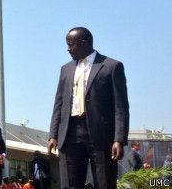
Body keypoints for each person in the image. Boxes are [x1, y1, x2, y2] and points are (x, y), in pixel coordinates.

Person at [48, 27, 129, 189]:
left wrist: (119, 139)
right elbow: (59, 103)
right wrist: (53, 134)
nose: (68, 49)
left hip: (101, 135)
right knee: (70, 184)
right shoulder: (66, 69)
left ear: (84, 43)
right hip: (69, 133)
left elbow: (121, 107)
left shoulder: (111, 66)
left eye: (71, 45)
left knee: (104, 182)